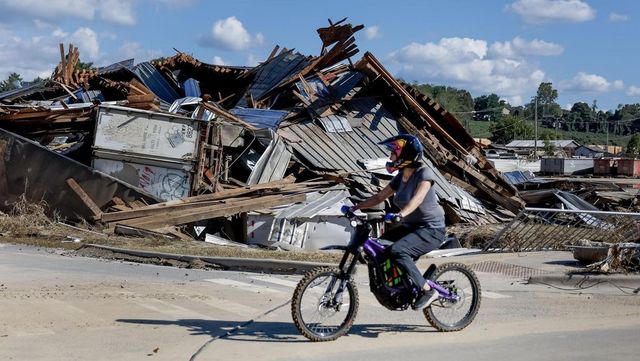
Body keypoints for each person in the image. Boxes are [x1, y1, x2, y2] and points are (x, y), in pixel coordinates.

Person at [346, 134, 446, 309]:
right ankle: (400, 287)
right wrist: (355, 208)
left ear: (406, 155)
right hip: (410, 227)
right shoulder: (400, 177)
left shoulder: (424, 174)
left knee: (398, 251)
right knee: (379, 249)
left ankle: (428, 290)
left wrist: (401, 214)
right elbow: (379, 197)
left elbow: (418, 199)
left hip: (431, 229)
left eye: (393, 154)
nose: (390, 158)